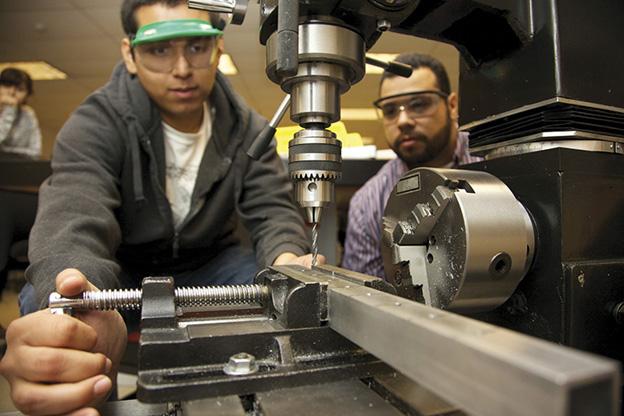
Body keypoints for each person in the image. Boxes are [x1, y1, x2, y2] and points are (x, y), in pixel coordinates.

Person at [0, 1, 321, 414]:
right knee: (51, 304)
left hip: (210, 269)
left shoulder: (250, 129)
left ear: (218, 49)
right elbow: (74, 210)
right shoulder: (97, 121)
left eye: (196, 48)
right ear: (129, 55)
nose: (182, 68)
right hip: (122, 272)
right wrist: (81, 295)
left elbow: (272, 209)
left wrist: (288, 259)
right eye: (158, 50)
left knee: (270, 289)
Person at [342, 53, 482, 279]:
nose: (403, 120)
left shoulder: (491, 158)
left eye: (419, 104)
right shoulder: (367, 204)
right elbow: (370, 301)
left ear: (452, 105)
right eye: (390, 110)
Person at [0, 67, 42, 159]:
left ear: (27, 95)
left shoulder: (28, 114)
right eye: (7, 86)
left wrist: (4, 151)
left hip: (17, 168)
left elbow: (35, 152)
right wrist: (9, 111)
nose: (12, 92)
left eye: (20, 89)